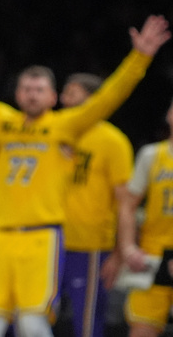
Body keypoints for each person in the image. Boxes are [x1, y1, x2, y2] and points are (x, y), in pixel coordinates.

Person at [0, 15, 170, 337]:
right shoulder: (3, 123)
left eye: (39, 90)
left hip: (41, 237)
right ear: (17, 94)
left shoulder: (65, 127)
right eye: (26, 89)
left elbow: (108, 97)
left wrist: (139, 58)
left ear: (52, 98)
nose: (32, 95)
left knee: (31, 323)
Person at [58, 73, 134, 337]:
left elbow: (125, 202)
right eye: (64, 92)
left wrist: (119, 252)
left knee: (87, 321)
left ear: (94, 99)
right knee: (34, 317)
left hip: (90, 246)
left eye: (72, 92)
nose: (63, 98)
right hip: (47, 240)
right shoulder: (54, 131)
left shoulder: (113, 141)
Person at [119, 97, 173, 337]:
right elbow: (128, 206)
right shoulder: (152, 155)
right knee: (142, 329)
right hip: (153, 256)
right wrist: (128, 248)